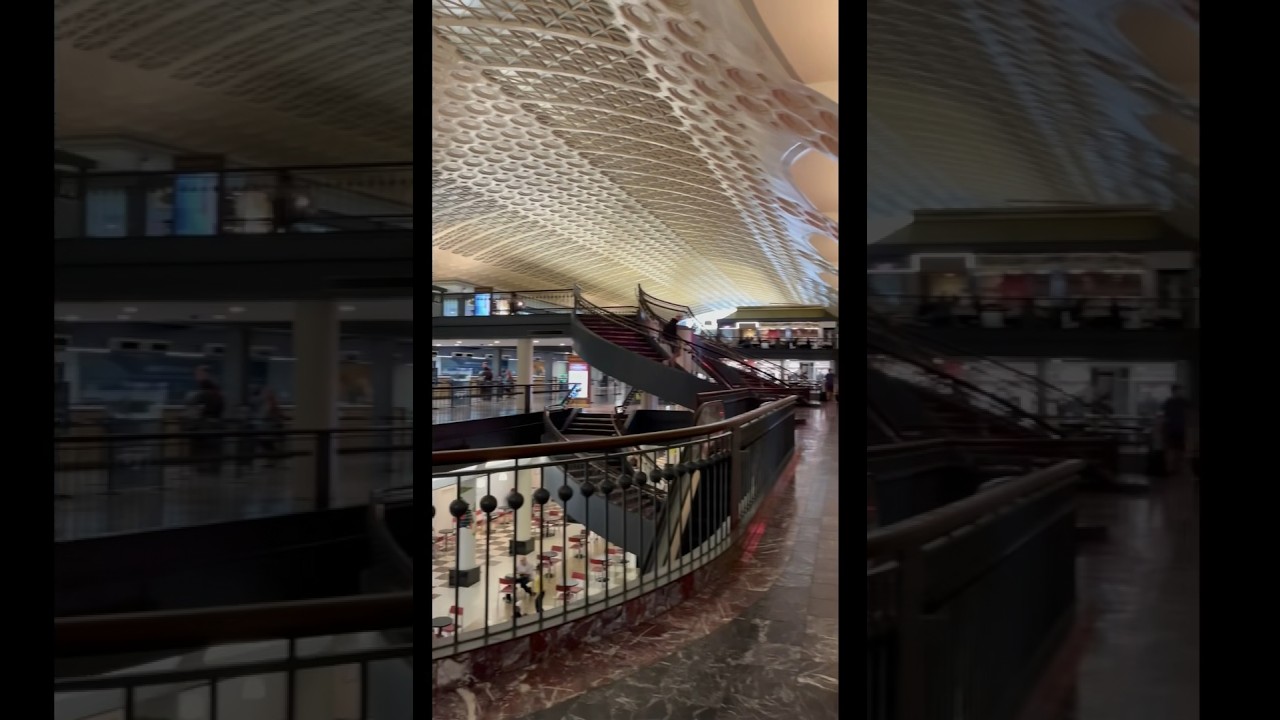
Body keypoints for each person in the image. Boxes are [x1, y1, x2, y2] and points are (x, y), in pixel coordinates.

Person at [1159, 385, 1195, 478]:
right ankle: (1172, 468)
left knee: (1178, 449)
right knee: (1174, 449)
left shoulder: (1175, 402)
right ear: (1175, 391)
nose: (1181, 392)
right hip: (1174, 428)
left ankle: (1175, 468)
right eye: (1180, 391)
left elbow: (1190, 413)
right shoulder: (1175, 402)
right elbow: (1164, 416)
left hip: (1178, 428)